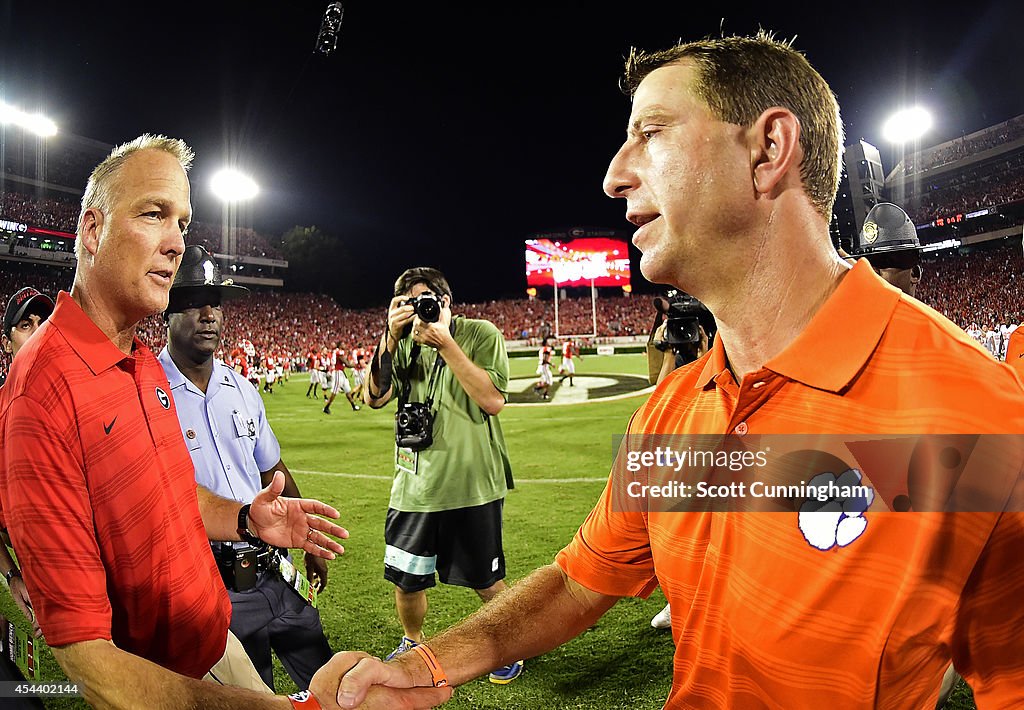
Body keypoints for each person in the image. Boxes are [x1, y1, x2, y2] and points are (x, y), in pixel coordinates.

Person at [335, 33, 1024, 709]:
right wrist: (428, 665)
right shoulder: (673, 408)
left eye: (653, 132)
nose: (614, 175)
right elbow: (580, 582)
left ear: (768, 150)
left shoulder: (978, 418)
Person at [0, 134, 352, 708]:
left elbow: (166, 492)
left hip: (216, 639)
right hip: (162, 681)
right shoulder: (41, 391)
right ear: (93, 232)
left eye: (182, 222)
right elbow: (89, 661)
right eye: (153, 214)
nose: (176, 244)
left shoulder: (140, 360)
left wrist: (244, 516)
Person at [159, 245, 334, 692]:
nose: (209, 314)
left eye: (216, 302)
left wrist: (309, 539)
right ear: (166, 310)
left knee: (330, 685)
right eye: (195, 301)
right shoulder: (147, 392)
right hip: (207, 584)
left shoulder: (241, 388)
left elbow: (272, 471)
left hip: (272, 569)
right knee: (251, 697)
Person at [363, 267, 521, 684]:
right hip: (413, 485)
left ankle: (510, 644)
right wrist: (390, 337)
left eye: (428, 299)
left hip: (470, 482)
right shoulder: (402, 343)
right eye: (410, 302)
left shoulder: (480, 333)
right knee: (407, 580)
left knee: (487, 580)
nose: (422, 309)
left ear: (447, 301)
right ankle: (412, 640)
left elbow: (491, 400)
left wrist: (446, 342)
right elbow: (374, 397)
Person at [324, 341, 360, 413]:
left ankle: (353, 406)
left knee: (347, 390)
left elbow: (345, 361)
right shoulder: (339, 352)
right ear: (340, 345)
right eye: (343, 344)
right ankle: (326, 407)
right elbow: (346, 364)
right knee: (334, 391)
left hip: (341, 373)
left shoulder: (339, 352)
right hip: (338, 373)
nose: (345, 345)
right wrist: (356, 365)